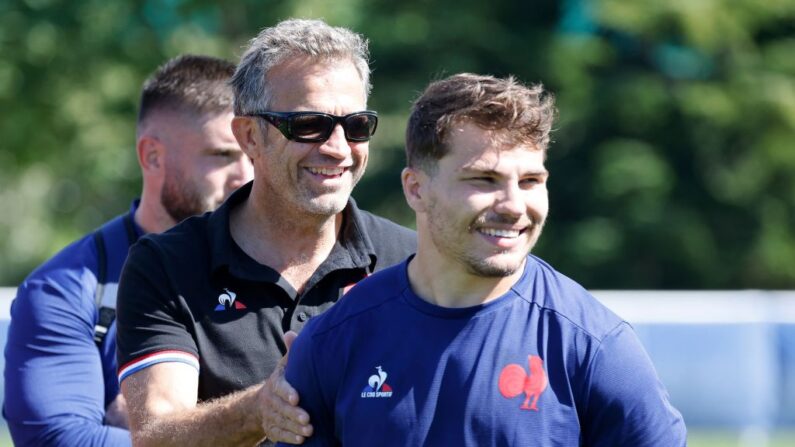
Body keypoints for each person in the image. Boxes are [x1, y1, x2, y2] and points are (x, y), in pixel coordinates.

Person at [279, 73, 688, 446]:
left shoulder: (594, 346)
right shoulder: (333, 342)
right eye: (484, 180)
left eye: (530, 181)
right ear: (416, 189)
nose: (513, 206)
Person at [114, 19, 416, 446]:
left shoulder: (412, 263)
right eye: (309, 124)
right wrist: (261, 409)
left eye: (356, 126)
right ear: (249, 136)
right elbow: (157, 436)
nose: (336, 147)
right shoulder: (166, 265)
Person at [2, 55, 253, 446]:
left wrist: (152, 423)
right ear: (152, 156)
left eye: (253, 155)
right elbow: (59, 440)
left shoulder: (292, 264)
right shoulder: (65, 289)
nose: (246, 177)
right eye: (222, 155)